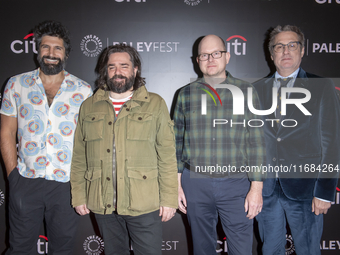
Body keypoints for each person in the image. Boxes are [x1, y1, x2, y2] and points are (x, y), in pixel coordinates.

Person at [70, 44, 178, 255]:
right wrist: (79, 195)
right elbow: (79, 157)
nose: (117, 72)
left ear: (135, 70)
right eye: (111, 67)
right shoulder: (89, 106)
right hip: (103, 204)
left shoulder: (155, 104)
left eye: (124, 66)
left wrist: (168, 198)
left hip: (144, 203)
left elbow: (166, 155)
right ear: (105, 71)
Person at [0, 20, 92, 254]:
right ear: (37, 51)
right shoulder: (16, 84)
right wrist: (13, 176)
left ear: (66, 53)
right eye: (46, 47)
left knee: (63, 249)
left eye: (57, 48)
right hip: (26, 180)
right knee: (19, 247)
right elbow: (7, 132)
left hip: (66, 184)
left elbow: (87, 139)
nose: (51, 53)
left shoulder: (82, 90)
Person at [173, 34, 266, 255]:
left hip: (236, 184)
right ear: (198, 60)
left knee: (241, 249)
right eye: (204, 55)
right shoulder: (185, 94)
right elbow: (176, 141)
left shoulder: (247, 91)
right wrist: (175, 184)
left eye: (216, 53)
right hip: (195, 183)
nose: (210, 59)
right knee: (202, 248)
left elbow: (257, 142)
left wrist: (257, 188)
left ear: (227, 56)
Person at [254, 25, 340, 255]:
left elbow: (332, 142)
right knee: (269, 250)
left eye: (292, 45)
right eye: (279, 46)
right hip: (267, 189)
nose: (286, 51)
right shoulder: (255, 89)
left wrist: (324, 191)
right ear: (271, 54)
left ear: (302, 51)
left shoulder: (322, 87)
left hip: (306, 188)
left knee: (308, 250)